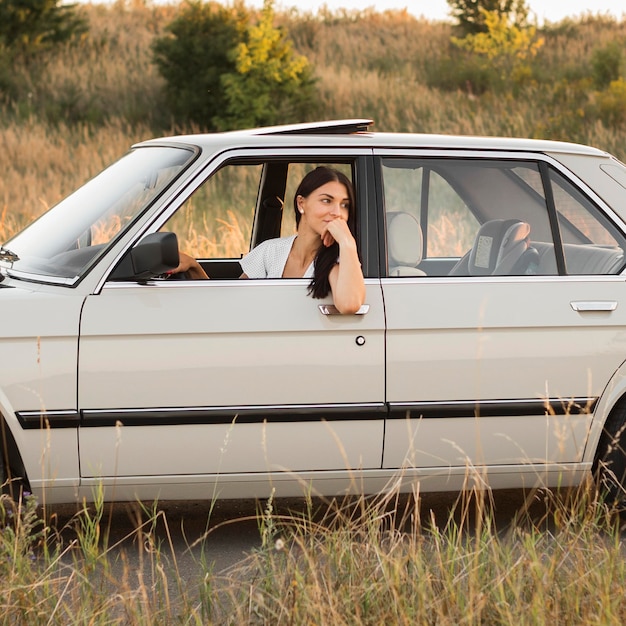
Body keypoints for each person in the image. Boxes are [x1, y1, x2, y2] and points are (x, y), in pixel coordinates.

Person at [172, 166, 366, 314]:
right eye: (327, 201)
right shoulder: (271, 251)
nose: (337, 213)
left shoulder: (336, 261)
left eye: (345, 205)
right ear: (301, 203)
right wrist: (194, 266)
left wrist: (347, 242)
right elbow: (230, 308)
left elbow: (350, 305)